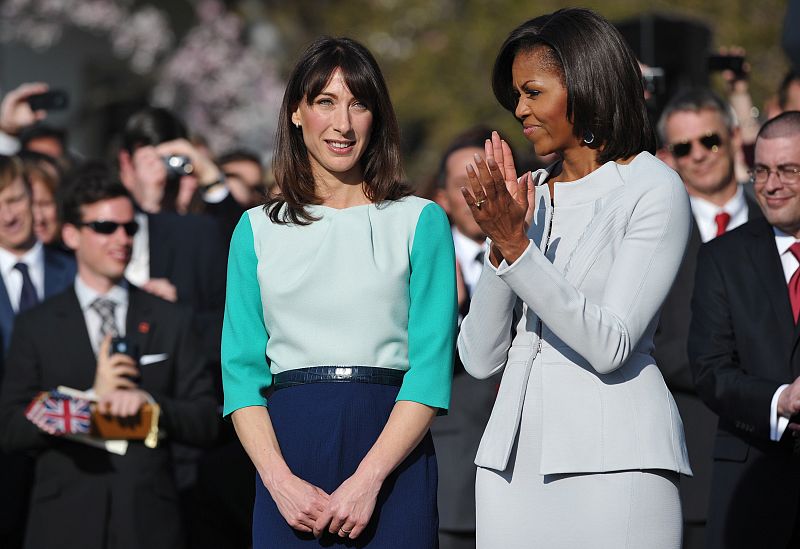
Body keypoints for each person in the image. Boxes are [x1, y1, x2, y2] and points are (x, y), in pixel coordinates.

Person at [457, 9, 692, 548]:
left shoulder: (651, 188)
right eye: (516, 96)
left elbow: (611, 344)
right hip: (510, 469)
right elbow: (479, 358)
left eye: (533, 92)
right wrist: (502, 242)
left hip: (616, 463)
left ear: (584, 85)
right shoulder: (527, 195)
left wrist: (516, 247)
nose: (520, 111)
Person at [222, 36, 457, 548]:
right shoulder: (255, 230)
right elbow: (240, 375)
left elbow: (431, 369)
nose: (343, 123)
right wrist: (279, 482)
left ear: (378, 116)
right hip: (287, 455)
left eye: (359, 103)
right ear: (295, 113)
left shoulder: (420, 221)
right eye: (325, 102)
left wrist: (369, 478)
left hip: (393, 454)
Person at [0, 164, 219, 549]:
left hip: (150, 523)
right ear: (71, 234)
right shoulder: (37, 324)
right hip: (62, 525)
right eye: (105, 228)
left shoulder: (169, 318)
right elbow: (11, 427)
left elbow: (206, 419)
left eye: (129, 227)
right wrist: (85, 405)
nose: (121, 238)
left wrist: (151, 406)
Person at [655, 87, 763, 549]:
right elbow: (659, 343)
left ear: (735, 137)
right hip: (695, 455)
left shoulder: (780, 222)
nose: (699, 155)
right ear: (668, 156)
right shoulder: (656, 237)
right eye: (684, 147)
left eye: (711, 141)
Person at [688, 111, 800, 548]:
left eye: (788, 171)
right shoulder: (723, 259)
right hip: (753, 483)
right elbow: (710, 369)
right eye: (762, 171)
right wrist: (781, 400)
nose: (771, 185)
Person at [0, 153, 75, 549]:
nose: (7, 215)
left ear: (33, 199)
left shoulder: (76, 271)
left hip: (70, 460)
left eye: (13, 200)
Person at [431, 126, 498, 549]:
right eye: (463, 185)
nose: (476, 195)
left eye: (486, 182)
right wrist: (450, 307)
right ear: (443, 200)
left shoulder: (536, 250)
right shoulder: (422, 261)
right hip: (454, 471)